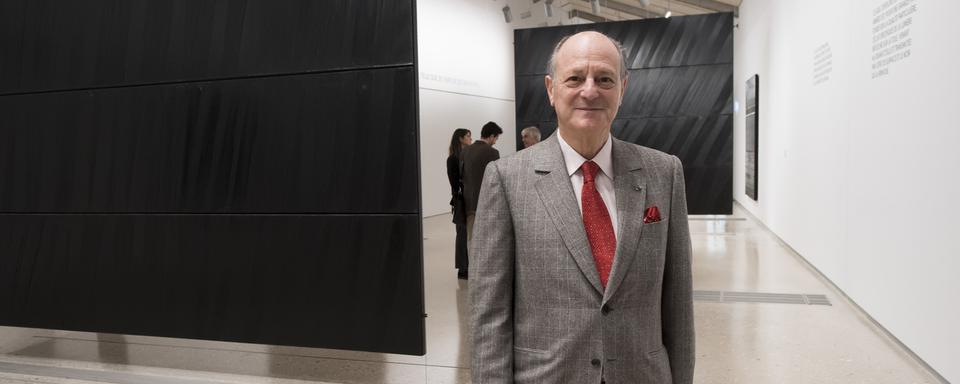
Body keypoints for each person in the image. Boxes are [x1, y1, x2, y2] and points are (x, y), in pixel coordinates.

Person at [470, 31, 694, 383]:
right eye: (574, 78)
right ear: (550, 88)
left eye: (604, 79)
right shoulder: (506, 179)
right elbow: (490, 315)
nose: (589, 91)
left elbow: (678, 302)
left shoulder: (664, 173)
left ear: (623, 88)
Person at [461, 121, 503, 249]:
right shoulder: (493, 153)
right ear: (491, 136)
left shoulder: (465, 151)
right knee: (487, 240)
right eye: (496, 138)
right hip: (487, 202)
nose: (495, 141)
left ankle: (472, 266)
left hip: (469, 201)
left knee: (471, 238)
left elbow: (461, 175)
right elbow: (496, 179)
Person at [447, 128, 472, 279]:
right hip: (461, 201)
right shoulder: (453, 159)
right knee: (462, 235)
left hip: (470, 199)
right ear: (461, 139)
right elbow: (454, 183)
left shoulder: (468, 156)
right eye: (468, 136)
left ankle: (469, 266)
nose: (470, 138)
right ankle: (463, 269)